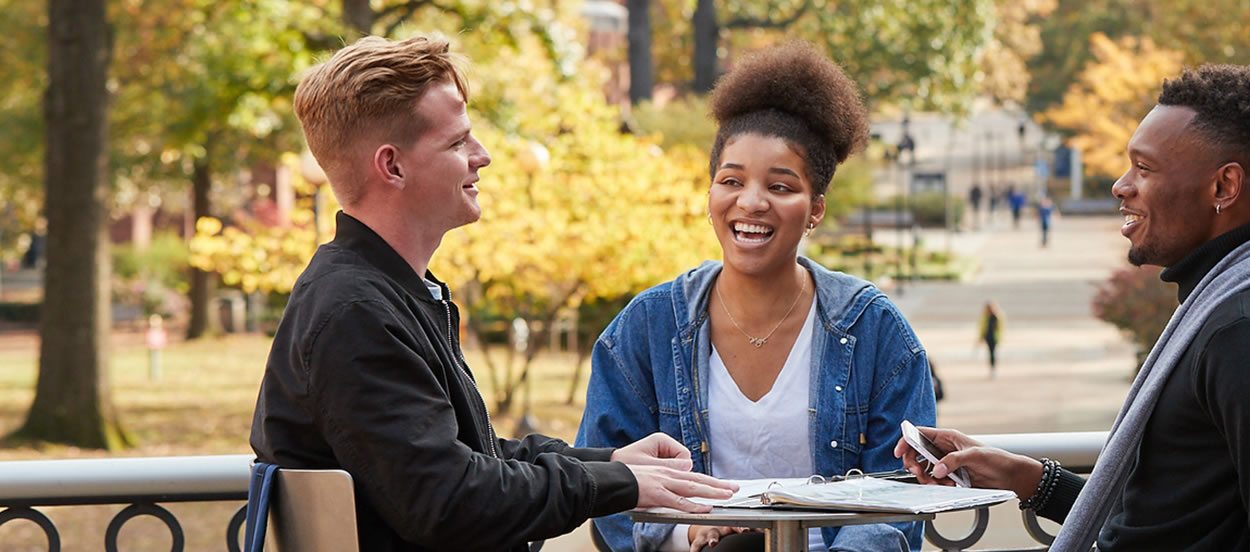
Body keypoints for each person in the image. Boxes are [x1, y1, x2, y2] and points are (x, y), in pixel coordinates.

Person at [249, 36, 736, 552]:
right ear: (392, 166)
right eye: (457, 143)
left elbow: (468, 458)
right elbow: (450, 500)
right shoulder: (355, 313)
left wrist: (611, 465)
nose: (482, 156)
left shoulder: (387, 294)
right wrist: (618, 487)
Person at [898, 64, 1250, 551]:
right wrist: (1023, 477)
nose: (1120, 185)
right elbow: (1166, 518)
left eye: (1144, 169)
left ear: (1223, 187)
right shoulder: (1231, 308)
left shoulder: (1246, 335)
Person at [577, 41, 937, 552]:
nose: (751, 202)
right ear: (709, 195)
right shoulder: (646, 327)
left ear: (816, 208)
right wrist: (689, 533)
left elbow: (901, 505)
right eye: (731, 180)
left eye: (781, 187)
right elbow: (605, 488)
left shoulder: (874, 330)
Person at [976, 301, 1003, 379]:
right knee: (990, 353)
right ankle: (992, 369)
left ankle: (993, 369)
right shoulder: (985, 317)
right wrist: (981, 336)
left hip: (994, 338)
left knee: (992, 353)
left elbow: (1000, 328)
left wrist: (999, 337)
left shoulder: (997, 316)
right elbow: (983, 327)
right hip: (988, 337)